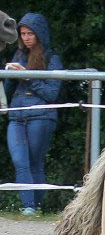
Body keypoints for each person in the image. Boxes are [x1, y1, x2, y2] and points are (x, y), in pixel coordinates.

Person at [3, 12, 62, 216]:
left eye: (30, 33)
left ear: (39, 34)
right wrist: (10, 73)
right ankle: (28, 208)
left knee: (35, 162)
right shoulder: (18, 55)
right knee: (20, 161)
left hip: (41, 116)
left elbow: (51, 93)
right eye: (23, 34)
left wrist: (27, 75)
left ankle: (34, 208)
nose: (26, 38)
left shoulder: (52, 58)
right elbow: (9, 90)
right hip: (16, 117)